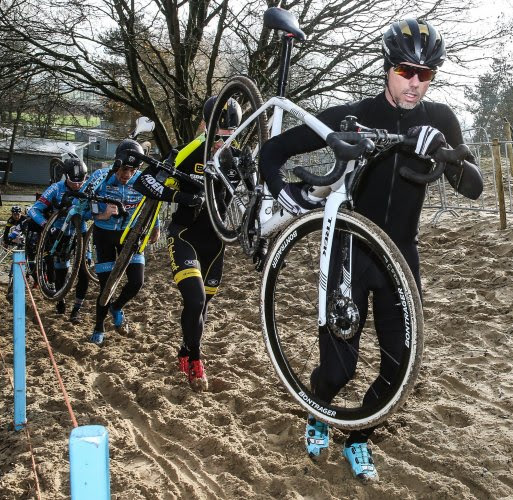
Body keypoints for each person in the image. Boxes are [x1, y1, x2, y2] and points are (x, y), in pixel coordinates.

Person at [259, 19, 483, 482]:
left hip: (401, 253)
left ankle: (358, 437)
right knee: (339, 370)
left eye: (427, 74)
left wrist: (444, 150)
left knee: (401, 367)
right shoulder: (353, 114)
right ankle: (319, 411)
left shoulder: (439, 118)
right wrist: (278, 193)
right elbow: (273, 152)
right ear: (388, 67)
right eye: (406, 71)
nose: (415, 83)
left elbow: (474, 187)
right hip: (350, 253)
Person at [131, 97, 241, 391]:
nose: (222, 144)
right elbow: (143, 183)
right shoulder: (188, 152)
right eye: (217, 138)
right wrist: (183, 196)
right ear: (206, 128)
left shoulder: (239, 159)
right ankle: (195, 360)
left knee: (202, 308)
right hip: (184, 235)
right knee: (194, 300)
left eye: (229, 138)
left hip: (216, 244)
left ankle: (185, 348)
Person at [85, 139, 164, 345]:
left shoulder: (143, 180)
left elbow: (152, 202)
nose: (126, 175)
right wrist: (100, 215)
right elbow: (78, 205)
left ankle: (117, 307)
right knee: (106, 286)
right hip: (104, 235)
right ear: (116, 163)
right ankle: (99, 326)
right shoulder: (100, 177)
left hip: (131, 235)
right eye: (123, 169)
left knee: (137, 282)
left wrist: (155, 226)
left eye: (132, 170)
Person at [28, 157, 90, 323]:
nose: (77, 185)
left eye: (81, 181)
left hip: (80, 230)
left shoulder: (89, 187)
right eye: (73, 182)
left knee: (84, 272)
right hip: (58, 231)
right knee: (60, 271)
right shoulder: (56, 188)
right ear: (66, 177)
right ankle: (60, 299)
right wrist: (47, 226)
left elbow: (95, 212)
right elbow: (33, 211)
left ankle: (76, 310)